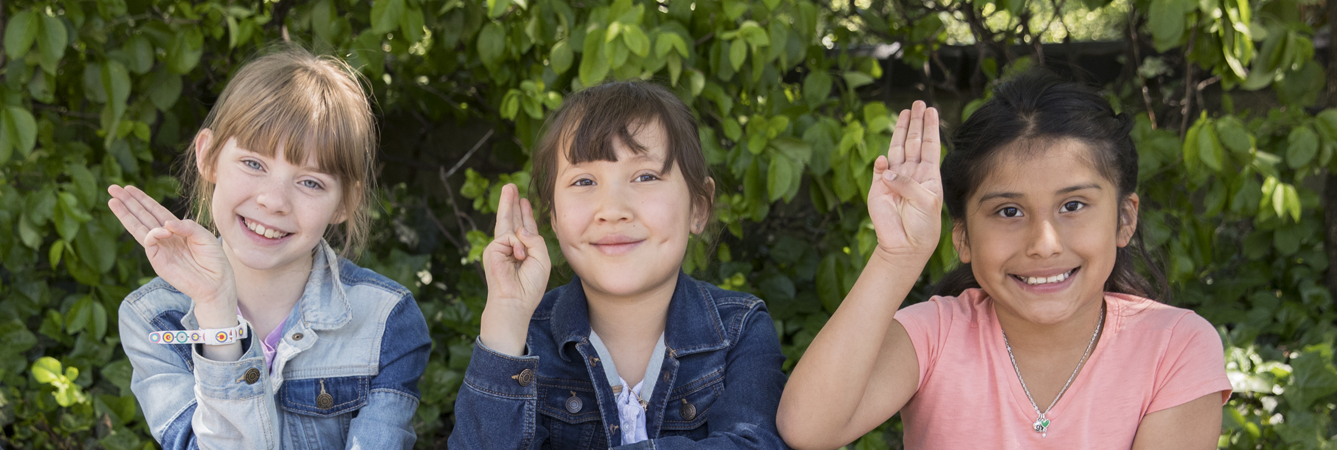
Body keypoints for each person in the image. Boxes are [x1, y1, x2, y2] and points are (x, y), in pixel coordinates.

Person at [775, 72, 1230, 449]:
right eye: (1008, 211)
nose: (1044, 243)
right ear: (964, 238)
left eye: (1073, 206)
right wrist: (899, 256)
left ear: (1124, 218)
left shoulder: (1174, 346)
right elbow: (808, 427)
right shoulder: (936, 336)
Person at [111, 46, 431, 449]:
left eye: (311, 182)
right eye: (254, 164)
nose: (274, 200)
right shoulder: (157, 322)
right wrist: (216, 313)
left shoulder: (386, 321)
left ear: (346, 203)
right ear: (208, 156)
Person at [451, 81, 790, 449]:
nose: (612, 210)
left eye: (645, 176)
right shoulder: (523, 343)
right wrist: (505, 320)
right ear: (553, 217)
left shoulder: (739, 330)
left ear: (699, 207)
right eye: (584, 181)